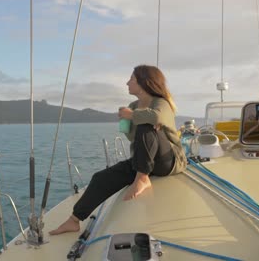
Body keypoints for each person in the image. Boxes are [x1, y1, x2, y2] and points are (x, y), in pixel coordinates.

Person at [49, 65, 187, 235]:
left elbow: (156, 117)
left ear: (144, 83)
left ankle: (142, 178)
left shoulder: (161, 103)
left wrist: (134, 116)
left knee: (147, 123)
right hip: (145, 159)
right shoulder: (133, 105)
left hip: (169, 160)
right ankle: (74, 220)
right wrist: (128, 122)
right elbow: (134, 138)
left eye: (132, 79)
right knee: (100, 178)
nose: (127, 82)